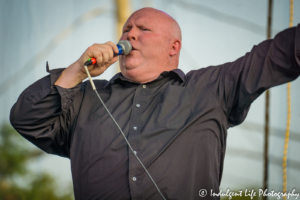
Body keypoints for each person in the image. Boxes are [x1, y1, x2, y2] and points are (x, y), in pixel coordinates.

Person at [10, 7, 300, 200]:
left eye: (143, 29)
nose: (130, 34)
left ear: (174, 47)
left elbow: (278, 56)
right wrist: (76, 70)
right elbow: (27, 119)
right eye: (126, 29)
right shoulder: (85, 97)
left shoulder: (211, 87)